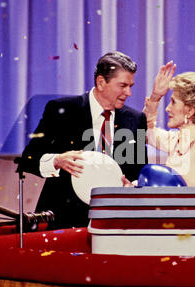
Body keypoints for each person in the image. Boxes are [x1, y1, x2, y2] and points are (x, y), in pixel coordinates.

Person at [18, 51, 148, 229]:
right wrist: (57, 160)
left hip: (113, 222)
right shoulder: (62, 110)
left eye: (131, 86)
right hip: (63, 220)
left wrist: (131, 186)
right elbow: (28, 159)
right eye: (123, 86)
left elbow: (139, 172)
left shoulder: (136, 119)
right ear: (101, 82)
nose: (129, 93)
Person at [143, 61, 195, 187]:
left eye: (173, 102)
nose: (167, 108)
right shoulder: (175, 139)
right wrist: (155, 97)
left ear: (189, 111)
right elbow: (143, 132)